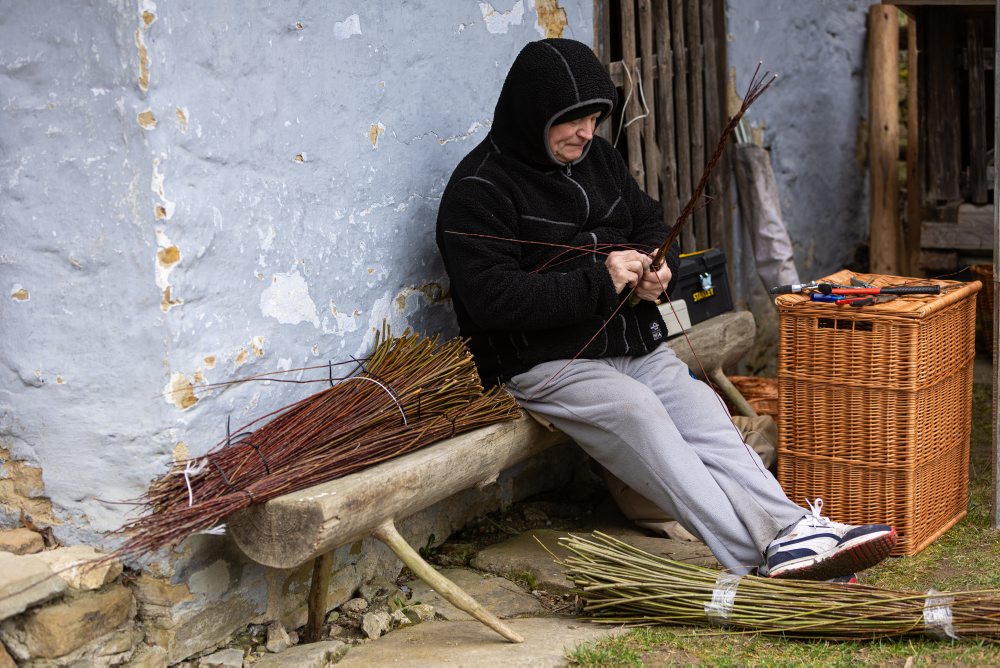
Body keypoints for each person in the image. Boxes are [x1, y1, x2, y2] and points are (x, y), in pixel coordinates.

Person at [435, 38, 895, 579]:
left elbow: (649, 219)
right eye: (571, 121)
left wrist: (657, 263)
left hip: (630, 342)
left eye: (594, 118)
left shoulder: (598, 158)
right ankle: (751, 561)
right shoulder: (477, 189)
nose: (586, 132)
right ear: (530, 115)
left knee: (703, 411)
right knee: (640, 413)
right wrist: (601, 280)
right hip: (545, 361)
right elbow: (492, 301)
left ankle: (791, 532)